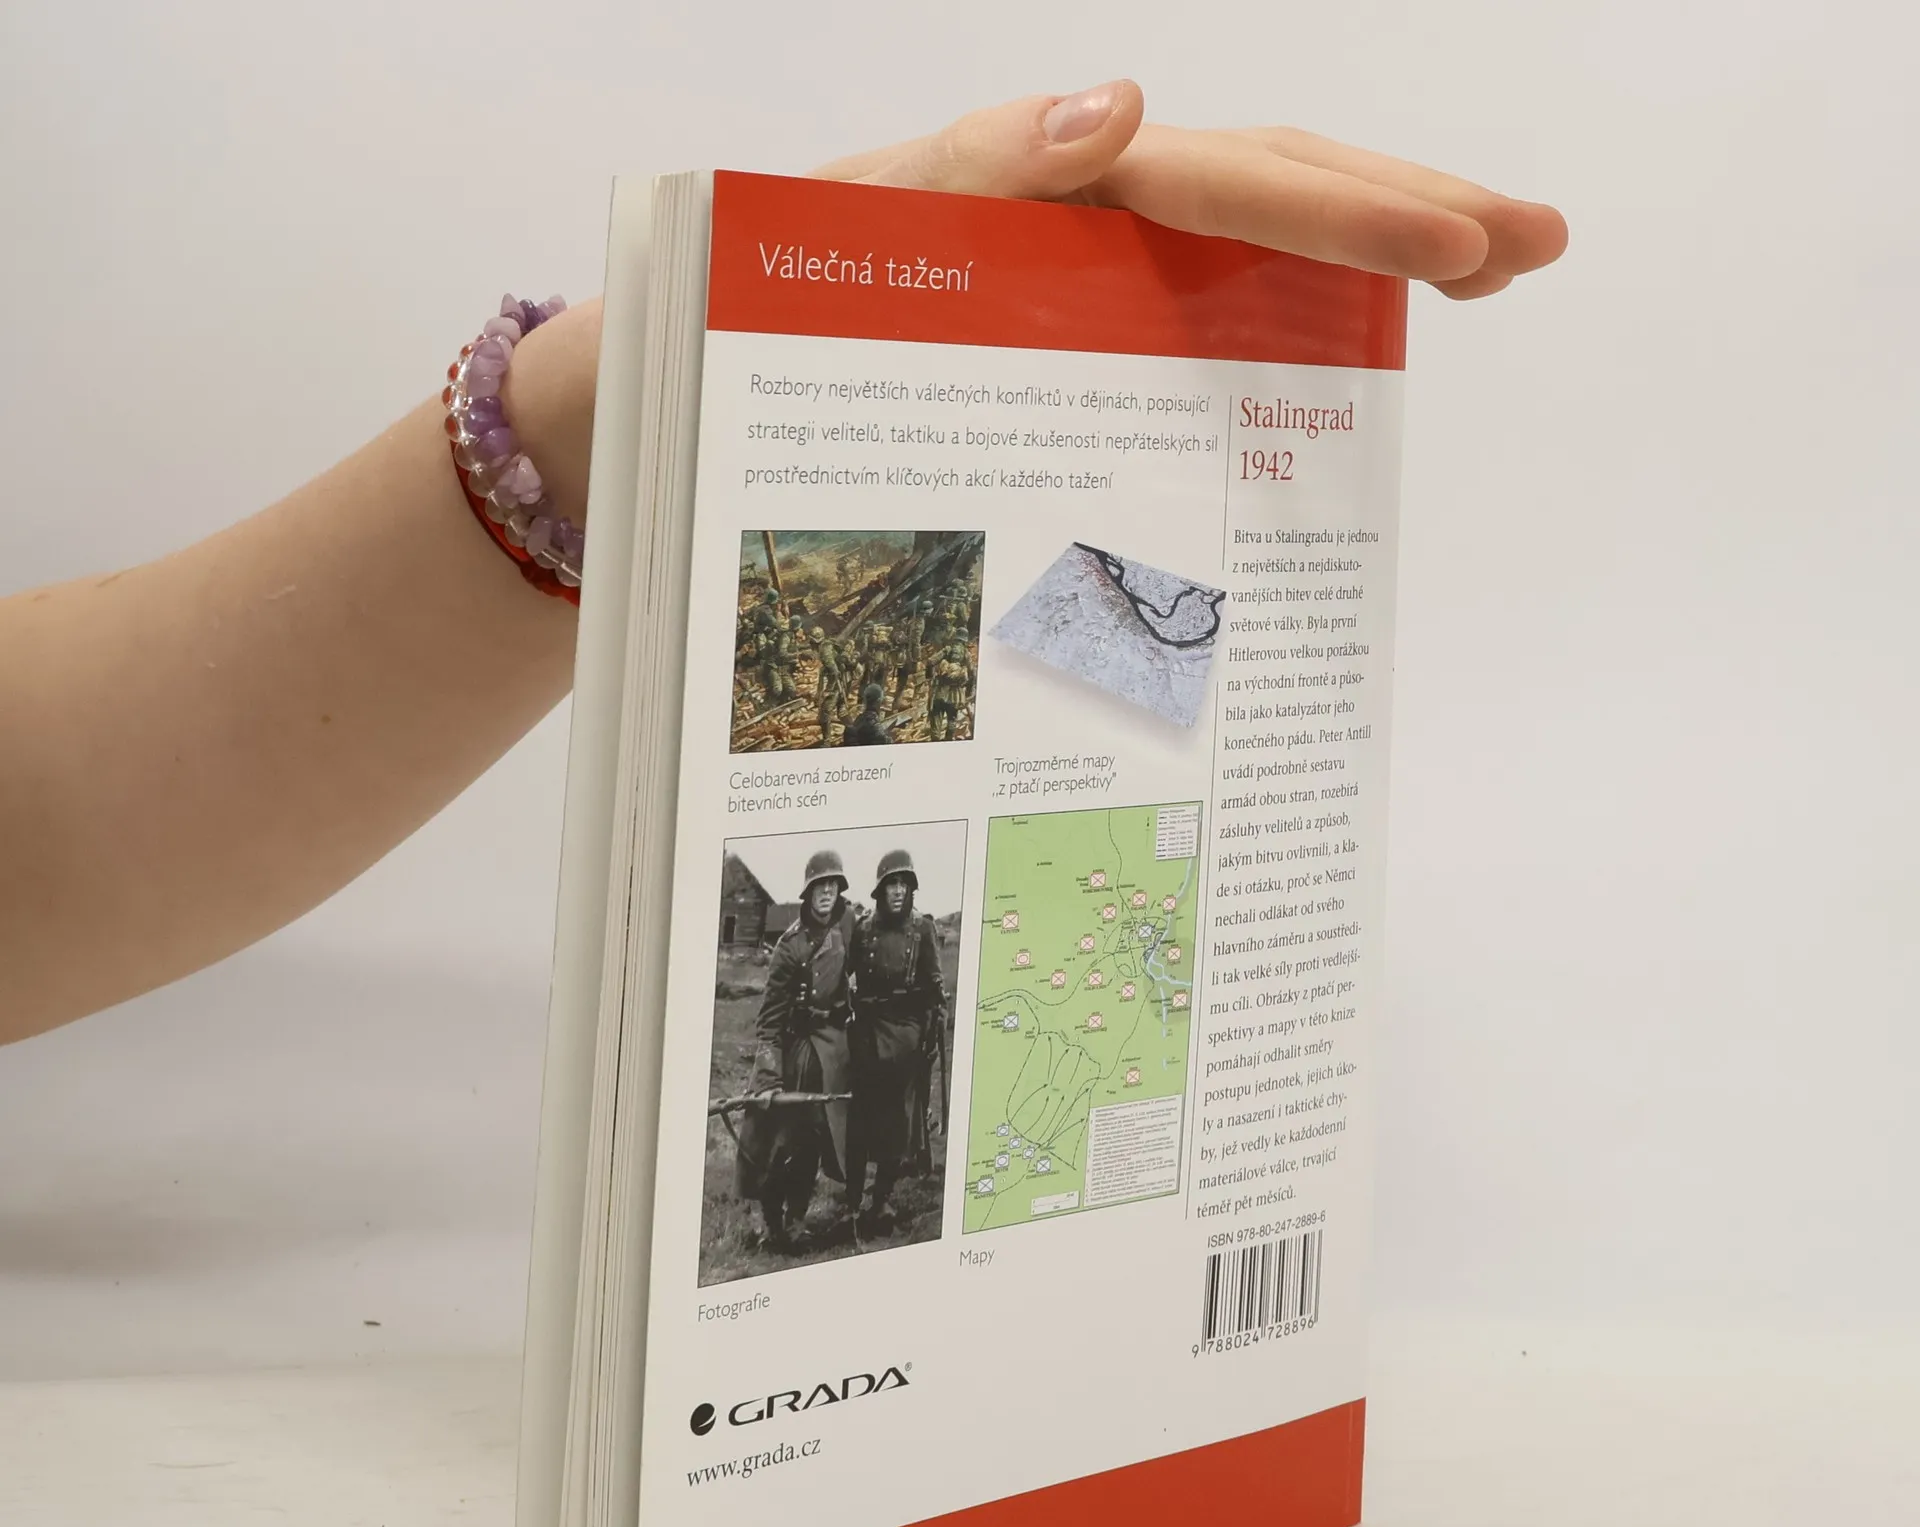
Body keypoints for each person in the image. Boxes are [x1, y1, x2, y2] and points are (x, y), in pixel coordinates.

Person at [0, 84, 1565, 1047]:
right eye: (867, 880)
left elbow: (43, 833)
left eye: (875, 881)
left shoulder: (905, 927)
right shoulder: (832, 934)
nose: (874, 889)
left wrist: (612, 406)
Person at [737, 849, 854, 1252]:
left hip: (829, 1052)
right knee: (778, 1144)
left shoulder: (846, 927)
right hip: (793, 1050)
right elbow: (769, 1018)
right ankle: (772, 1224)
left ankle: (797, 1220)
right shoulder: (790, 946)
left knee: (813, 1142)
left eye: (833, 884)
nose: (827, 892)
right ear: (808, 891)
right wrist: (768, 1077)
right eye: (820, 885)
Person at [847, 850, 948, 1237]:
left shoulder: (922, 929)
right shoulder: (863, 929)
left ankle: (882, 1197)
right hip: (868, 1025)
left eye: (905, 884)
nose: (899, 891)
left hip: (906, 1029)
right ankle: (853, 1198)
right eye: (892, 883)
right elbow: (846, 973)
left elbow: (934, 984)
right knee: (858, 1113)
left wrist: (934, 1026)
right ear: (880, 889)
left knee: (896, 1117)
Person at [841, 683, 894, 748]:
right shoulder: (872, 723)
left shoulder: (857, 719)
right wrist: (891, 735)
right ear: (879, 701)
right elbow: (886, 742)